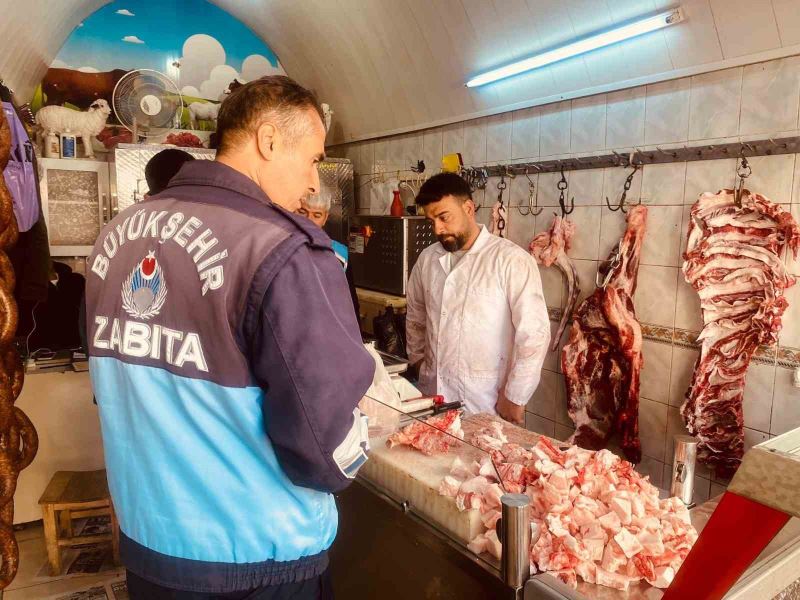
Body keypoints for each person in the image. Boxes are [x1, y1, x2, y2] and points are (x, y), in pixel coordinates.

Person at [84, 76, 375, 599]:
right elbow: (322, 445)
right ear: (268, 140)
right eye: (312, 159)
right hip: (256, 557)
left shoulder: (117, 237)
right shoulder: (280, 249)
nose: (313, 183)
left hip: (149, 543)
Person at [405, 172, 550, 425]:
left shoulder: (510, 260)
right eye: (431, 220)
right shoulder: (427, 259)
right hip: (433, 394)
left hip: (485, 402)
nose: (437, 228)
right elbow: (416, 317)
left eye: (443, 217)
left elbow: (534, 334)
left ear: (469, 208)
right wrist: (417, 361)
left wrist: (515, 397)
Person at [297, 194, 360, 322]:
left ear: (325, 218)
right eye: (303, 212)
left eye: (317, 215)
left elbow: (351, 304)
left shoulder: (340, 254)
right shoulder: (282, 249)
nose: (309, 220)